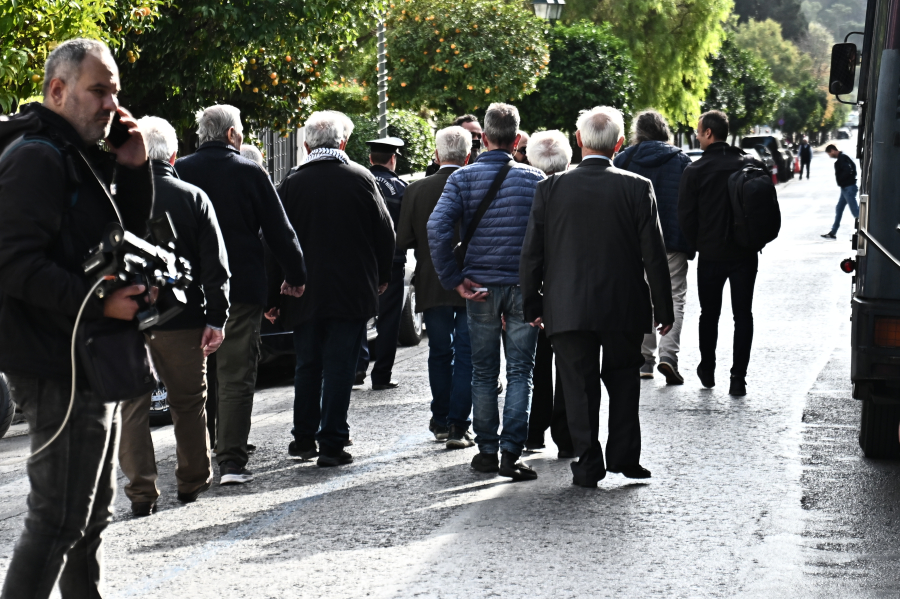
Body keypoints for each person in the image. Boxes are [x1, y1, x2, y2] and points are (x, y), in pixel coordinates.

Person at [0, 38, 153, 598]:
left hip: (90, 356)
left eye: (115, 90)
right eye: (98, 90)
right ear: (58, 90)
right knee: (59, 519)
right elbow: (13, 265)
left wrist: (134, 168)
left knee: (88, 522)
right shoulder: (37, 155)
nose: (111, 103)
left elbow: (121, 238)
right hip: (56, 361)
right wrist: (97, 302)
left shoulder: (78, 152)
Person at [520, 106, 673, 488]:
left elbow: (532, 253)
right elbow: (653, 253)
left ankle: (588, 464)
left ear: (579, 141)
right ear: (619, 144)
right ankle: (625, 458)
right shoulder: (638, 187)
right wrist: (664, 307)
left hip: (566, 304)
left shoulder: (549, 189)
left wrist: (532, 304)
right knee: (623, 380)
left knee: (577, 384)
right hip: (622, 304)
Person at [176, 104, 307, 485]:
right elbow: (279, 230)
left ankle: (198, 454)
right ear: (232, 134)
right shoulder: (249, 171)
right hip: (239, 289)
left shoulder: (181, 169)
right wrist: (295, 275)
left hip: (190, 288)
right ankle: (231, 460)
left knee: (200, 375)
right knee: (235, 372)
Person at [117, 116, 230, 516]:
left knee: (132, 407)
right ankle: (191, 482)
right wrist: (217, 318)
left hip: (126, 322)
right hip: (182, 320)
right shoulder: (192, 197)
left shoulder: (111, 199)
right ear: (175, 155)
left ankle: (141, 493)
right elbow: (216, 267)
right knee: (188, 402)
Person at [269, 110, 395, 467]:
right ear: (343, 143)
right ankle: (332, 442)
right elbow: (385, 233)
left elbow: (273, 240)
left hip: (302, 291)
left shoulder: (291, 183)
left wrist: (272, 295)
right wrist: (382, 275)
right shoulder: (361, 178)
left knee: (307, 365)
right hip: (350, 293)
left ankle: (303, 439)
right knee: (340, 366)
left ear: (306, 145)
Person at [428, 102, 546, 481]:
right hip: (522, 286)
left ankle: (486, 450)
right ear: (516, 138)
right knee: (520, 370)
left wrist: (453, 278)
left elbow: (437, 229)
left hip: (477, 286)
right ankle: (512, 451)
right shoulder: (535, 179)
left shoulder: (461, 179)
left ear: (485, 138)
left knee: (482, 370)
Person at [678, 110, 766, 397]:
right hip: (744, 253)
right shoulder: (749, 163)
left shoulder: (695, 170)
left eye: (698, 130)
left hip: (712, 255)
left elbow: (686, 218)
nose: (696, 135)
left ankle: (707, 367)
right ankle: (738, 376)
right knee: (743, 315)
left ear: (708, 133)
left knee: (709, 314)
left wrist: (698, 244)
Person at [397, 126, 475, 448]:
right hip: (474, 282)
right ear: (468, 155)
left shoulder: (416, 190)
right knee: (468, 354)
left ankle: (440, 419)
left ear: (436, 154)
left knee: (440, 352)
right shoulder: (476, 185)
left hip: (433, 281)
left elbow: (404, 240)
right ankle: (459, 425)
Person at [613, 110, 693, 385]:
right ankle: (668, 356)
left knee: (641, 297)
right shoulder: (681, 160)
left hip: (633, 241)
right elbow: (688, 204)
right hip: (671, 241)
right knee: (674, 297)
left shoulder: (624, 158)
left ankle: (645, 359)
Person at [522, 130, 574, 457]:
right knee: (570, 367)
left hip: (541, 288)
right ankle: (566, 436)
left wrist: (530, 300)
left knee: (537, 365)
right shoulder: (577, 189)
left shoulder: (532, 187)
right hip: (570, 291)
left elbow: (528, 251)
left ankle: (534, 431)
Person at [356, 137, 408, 390]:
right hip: (392, 262)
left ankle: (356, 368)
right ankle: (382, 375)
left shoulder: (357, 181)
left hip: (360, 261)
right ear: (392, 159)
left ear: (370, 159)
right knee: (388, 320)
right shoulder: (400, 188)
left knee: (357, 315)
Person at [821, 144, 859, 240]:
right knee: (839, 208)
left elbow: (849, 170)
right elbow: (853, 169)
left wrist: (842, 180)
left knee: (855, 211)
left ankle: (862, 232)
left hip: (848, 187)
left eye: (829, 153)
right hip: (845, 188)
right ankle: (833, 232)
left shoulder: (842, 158)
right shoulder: (844, 157)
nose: (829, 156)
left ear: (833, 150)